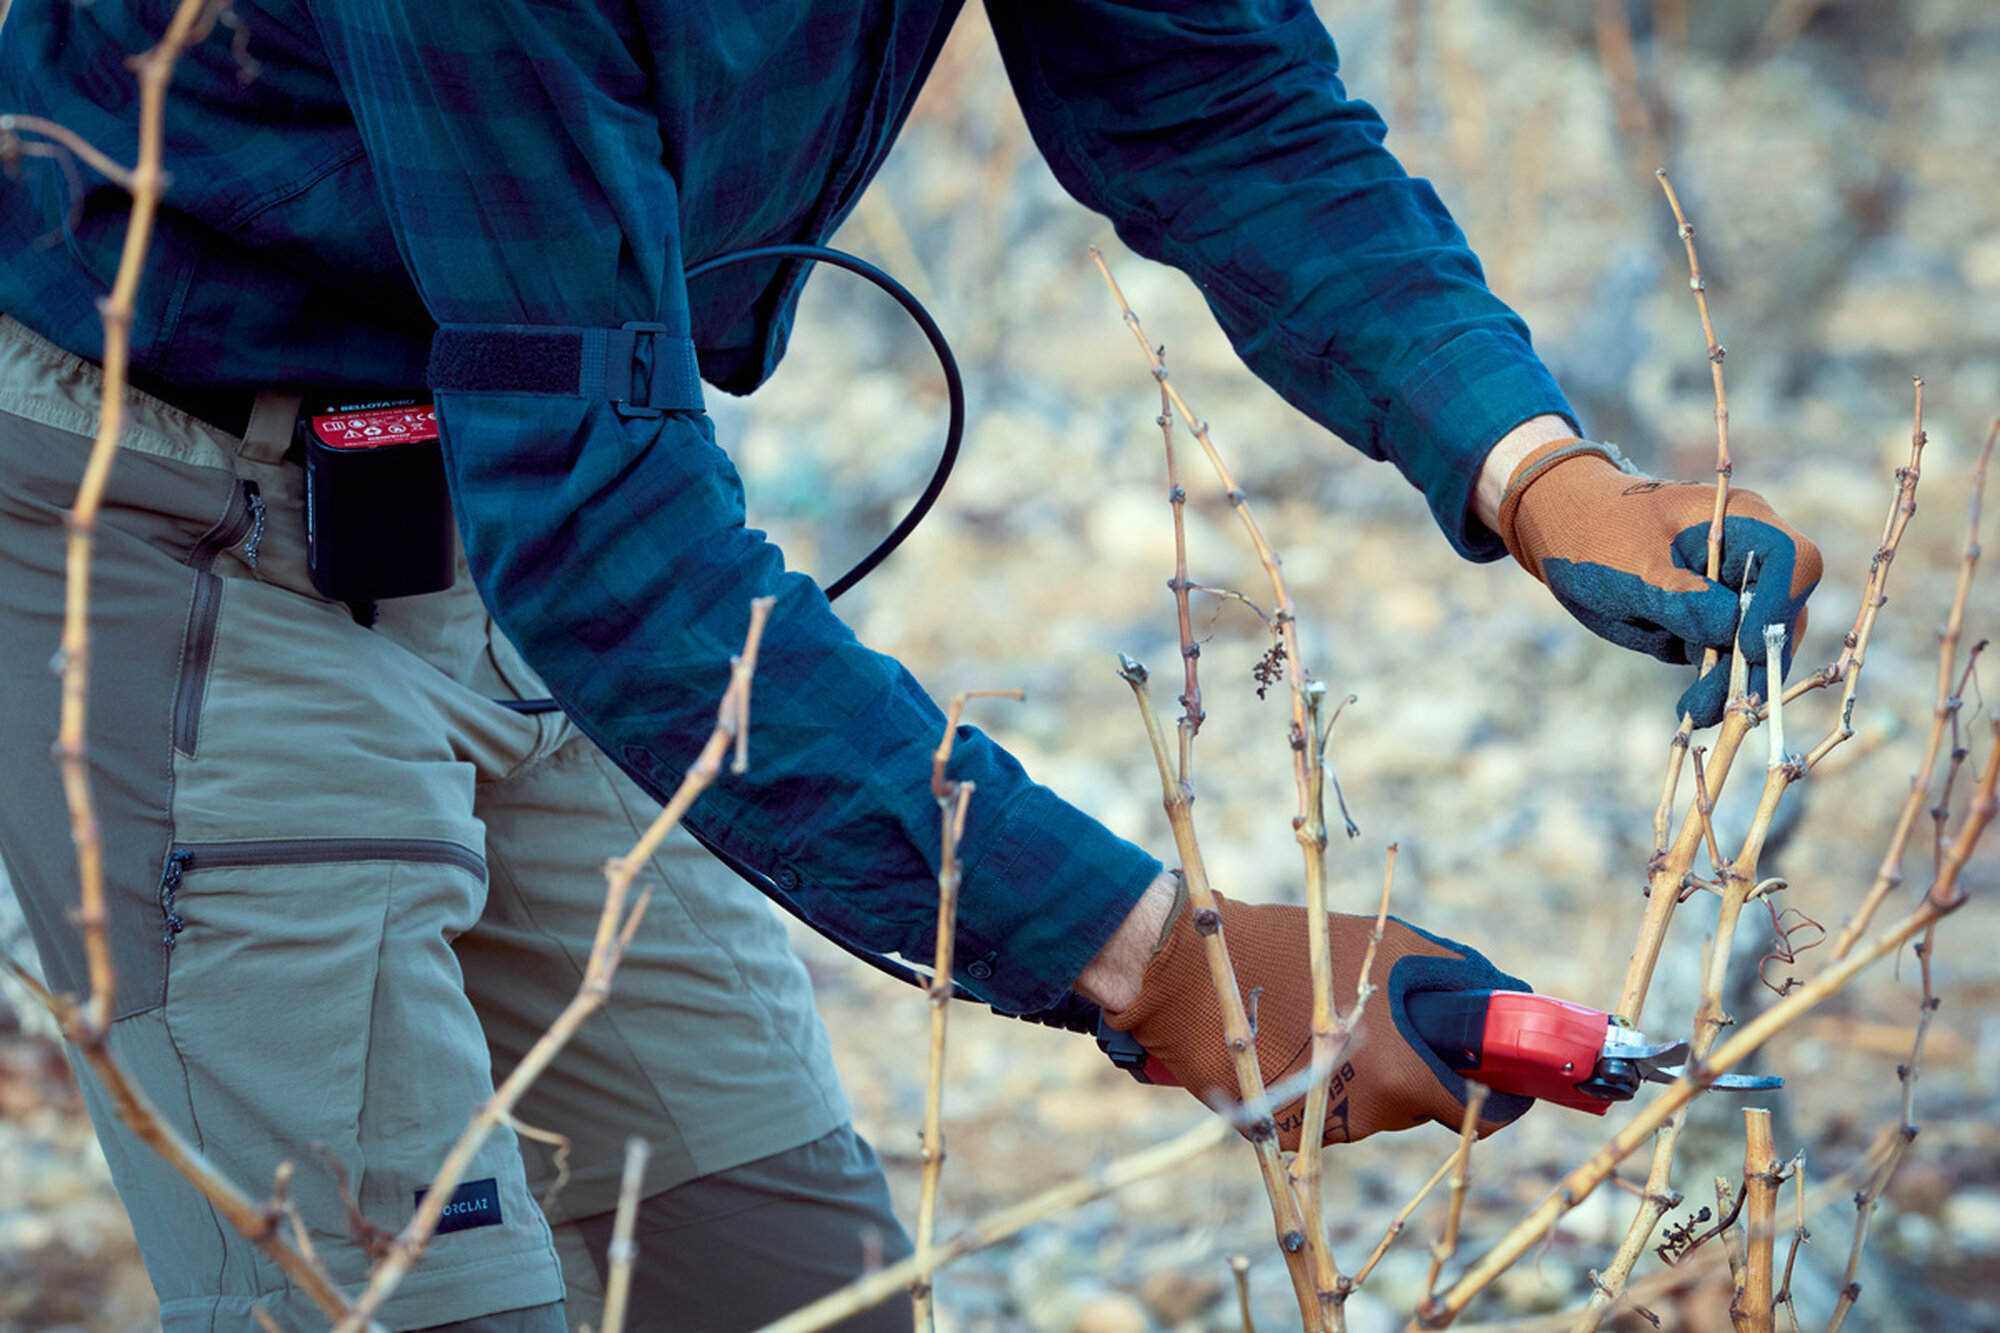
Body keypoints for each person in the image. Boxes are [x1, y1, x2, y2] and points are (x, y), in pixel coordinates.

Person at [0, 2, 1822, 1330]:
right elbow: (612, 530)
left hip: (517, 490)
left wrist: (1534, 468)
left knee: (785, 1285)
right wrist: (1161, 960)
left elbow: (1214, 94)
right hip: (169, 518)